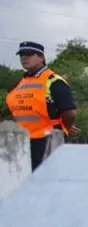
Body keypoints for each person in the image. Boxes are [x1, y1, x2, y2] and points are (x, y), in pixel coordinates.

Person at [6, 41, 76, 170]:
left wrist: (65, 127)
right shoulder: (21, 83)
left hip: (47, 141)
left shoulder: (54, 81)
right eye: (21, 55)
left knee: (48, 182)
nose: (24, 57)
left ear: (41, 57)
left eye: (29, 54)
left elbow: (70, 112)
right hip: (23, 142)